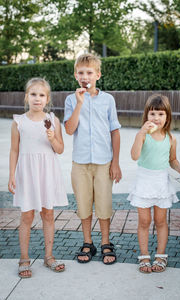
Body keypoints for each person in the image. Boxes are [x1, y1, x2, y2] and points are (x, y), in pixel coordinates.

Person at [64, 53, 122, 265]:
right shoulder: (71, 100)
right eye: (81, 72)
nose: (85, 76)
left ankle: (106, 242)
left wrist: (115, 162)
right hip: (80, 163)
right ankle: (88, 242)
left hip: (104, 162)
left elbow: (115, 131)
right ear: (75, 75)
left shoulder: (108, 100)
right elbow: (69, 130)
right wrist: (79, 103)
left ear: (97, 74)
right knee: (84, 205)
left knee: (104, 205)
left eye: (89, 72)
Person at [8, 77, 68, 278]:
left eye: (41, 95)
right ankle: (23, 258)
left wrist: (52, 138)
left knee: (48, 214)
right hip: (27, 172)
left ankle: (49, 256)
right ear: (26, 97)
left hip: (47, 172)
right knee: (26, 215)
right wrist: (11, 175)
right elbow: (14, 151)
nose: (37, 98)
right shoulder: (19, 122)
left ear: (47, 98)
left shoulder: (52, 120)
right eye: (33, 94)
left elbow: (60, 149)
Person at [127, 94, 180, 273]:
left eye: (161, 114)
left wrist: (179, 168)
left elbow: (172, 159)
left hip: (161, 183)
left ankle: (161, 256)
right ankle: (144, 256)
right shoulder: (144, 136)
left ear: (167, 117)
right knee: (144, 221)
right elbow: (134, 155)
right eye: (153, 114)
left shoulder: (171, 138)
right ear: (146, 115)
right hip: (144, 182)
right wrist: (141, 133)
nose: (156, 118)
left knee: (161, 221)